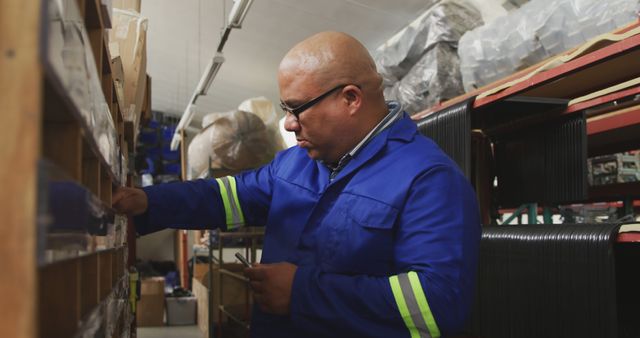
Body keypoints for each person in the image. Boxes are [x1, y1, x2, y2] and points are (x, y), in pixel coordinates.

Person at [113, 31, 480, 338]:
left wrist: (302, 292)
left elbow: (437, 305)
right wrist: (147, 202)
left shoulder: (430, 180)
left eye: (297, 108)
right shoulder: (298, 163)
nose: (288, 124)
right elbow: (227, 196)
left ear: (350, 98)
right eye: (285, 109)